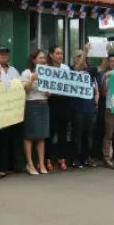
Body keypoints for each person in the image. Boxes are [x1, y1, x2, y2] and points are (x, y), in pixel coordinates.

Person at [21, 48, 51, 175]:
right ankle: (30, 164)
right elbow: (24, 90)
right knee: (30, 136)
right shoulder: (26, 73)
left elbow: (49, 93)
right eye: (40, 58)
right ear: (34, 60)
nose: (43, 60)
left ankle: (41, 163)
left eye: (44, 58)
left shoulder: (48, 73)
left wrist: (48, 88)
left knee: (42, 137)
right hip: (31, 104)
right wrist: (32, 79)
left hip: (44, 104)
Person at [46, 44, 72, 172]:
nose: (60, 55)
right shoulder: (46, 69)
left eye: (61, 53)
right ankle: (48, 159)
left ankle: (62, 158)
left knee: (63, 131)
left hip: (64, 102)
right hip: (51, 102)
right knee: (50, 131)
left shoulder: (66, 68)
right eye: (57, 53)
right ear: (51, 55)